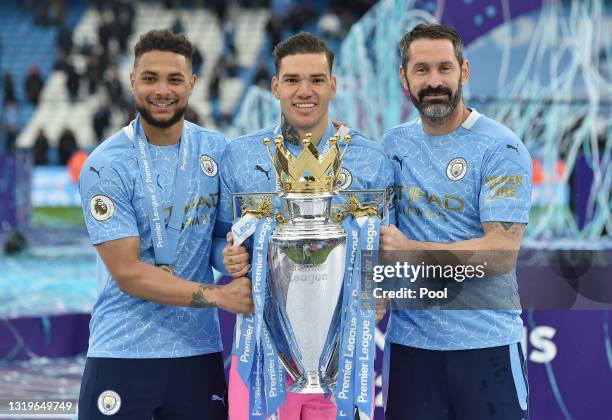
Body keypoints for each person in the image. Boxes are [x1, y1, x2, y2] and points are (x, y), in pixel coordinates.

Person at [77, 29, 253, 420]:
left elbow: (220, 239)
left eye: (174, 79)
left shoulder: (216, 150)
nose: (162, 90)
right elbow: (128, 273)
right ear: (133, 81)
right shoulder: (106, 166)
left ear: (191, 83)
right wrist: (218, 295)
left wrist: (232, 260)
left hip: (197, 352)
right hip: (122, 350)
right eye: (151, 78)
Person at [218, 32, 393, 420]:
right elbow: (218, 239)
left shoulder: (371, 160)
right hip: (260, 359)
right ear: (275, 86)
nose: (305, 91)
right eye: (293, 80)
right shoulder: (240, 157)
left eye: (316, 79)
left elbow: (388, 247)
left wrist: (381, 289)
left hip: (344, 361)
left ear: (333, 84)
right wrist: (227, 257)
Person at [379, 23, 532, 420]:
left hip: (487, 347)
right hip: (411, 349)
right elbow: (372, 238)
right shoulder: (390, 146)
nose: (434, 81)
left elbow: (501, 253)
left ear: (464, 72)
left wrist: (413, 252)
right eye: (422, 70)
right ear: (404, 78)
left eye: (445, 69)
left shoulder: (501, 147)